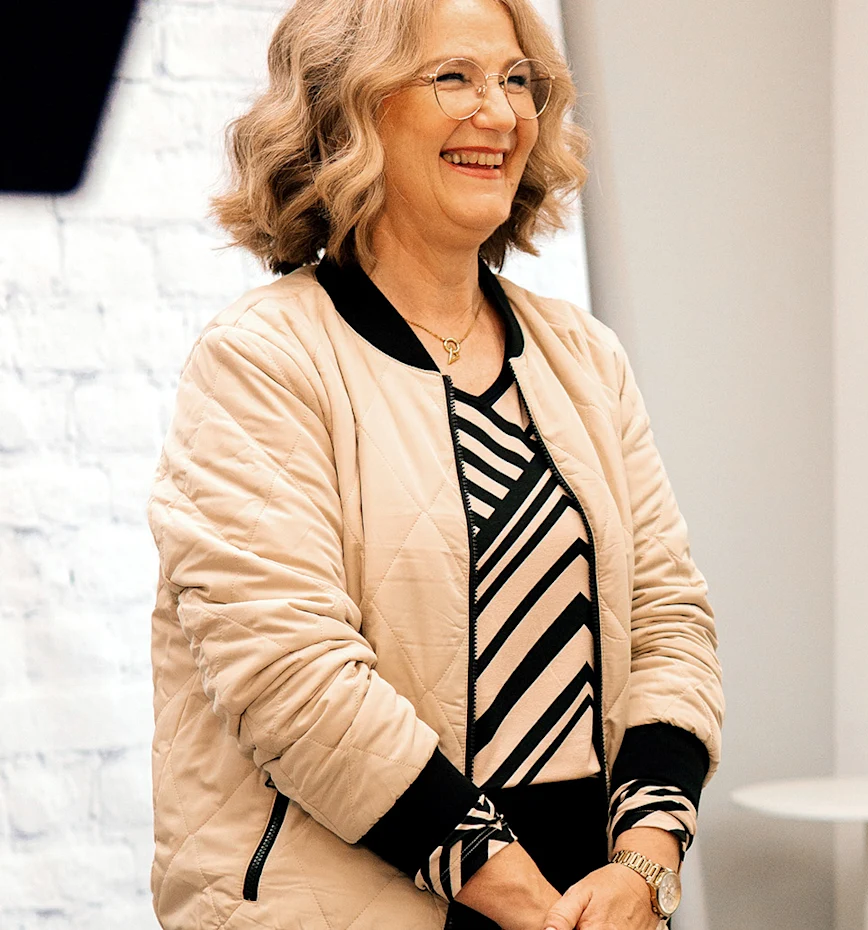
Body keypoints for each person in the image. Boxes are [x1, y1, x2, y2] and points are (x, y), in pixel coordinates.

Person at [145, 1, 724, 928]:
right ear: (347, 111)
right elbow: (294, 676)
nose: (499, 114)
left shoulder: (585, 356)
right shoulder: (263, 359)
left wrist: (643, 865)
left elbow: (668, 620)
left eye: (517, 80)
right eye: (454, 77)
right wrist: (523, 900)